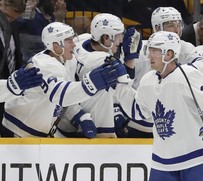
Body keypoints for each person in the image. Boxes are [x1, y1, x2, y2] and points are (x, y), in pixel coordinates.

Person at [110, 31, 203, 181]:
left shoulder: (189, 75)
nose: (149, 55)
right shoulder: (148, 80)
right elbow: (138, 111)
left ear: (169, 54)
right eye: (150, 50)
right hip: (163, 158)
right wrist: (120, 85)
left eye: (155, 51)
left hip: (195, 154)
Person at [2, 22, 119, 137]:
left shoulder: (68, 61)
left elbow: (66, 97)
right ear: (56, 45)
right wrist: (91, 84)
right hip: (16, 131)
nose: (74, 45)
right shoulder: (43, 65)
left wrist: (78, 115)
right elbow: (61, 94)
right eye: (69, 40)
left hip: (37, 134)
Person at [58, 13, 141, 137]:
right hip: (90, 121)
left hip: (69, 114)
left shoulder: (81, 40)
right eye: (118, 36)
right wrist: (130, 59)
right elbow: (124, 90)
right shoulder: (103, 61)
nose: (121, 40)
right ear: (106, 37)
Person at [126, 6, 197, 138]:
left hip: (174, 126)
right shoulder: (139, 51)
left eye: (179, 25)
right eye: (171, 25)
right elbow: (124, 83)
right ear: (157, 28)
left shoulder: (187, 49)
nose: (177, 30)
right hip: (140, 125)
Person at [0, 0, 26, 136]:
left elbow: (16, 55)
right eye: (6, 15)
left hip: (10, 92)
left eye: (13, 18)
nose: (8, 20)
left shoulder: (12, 25)